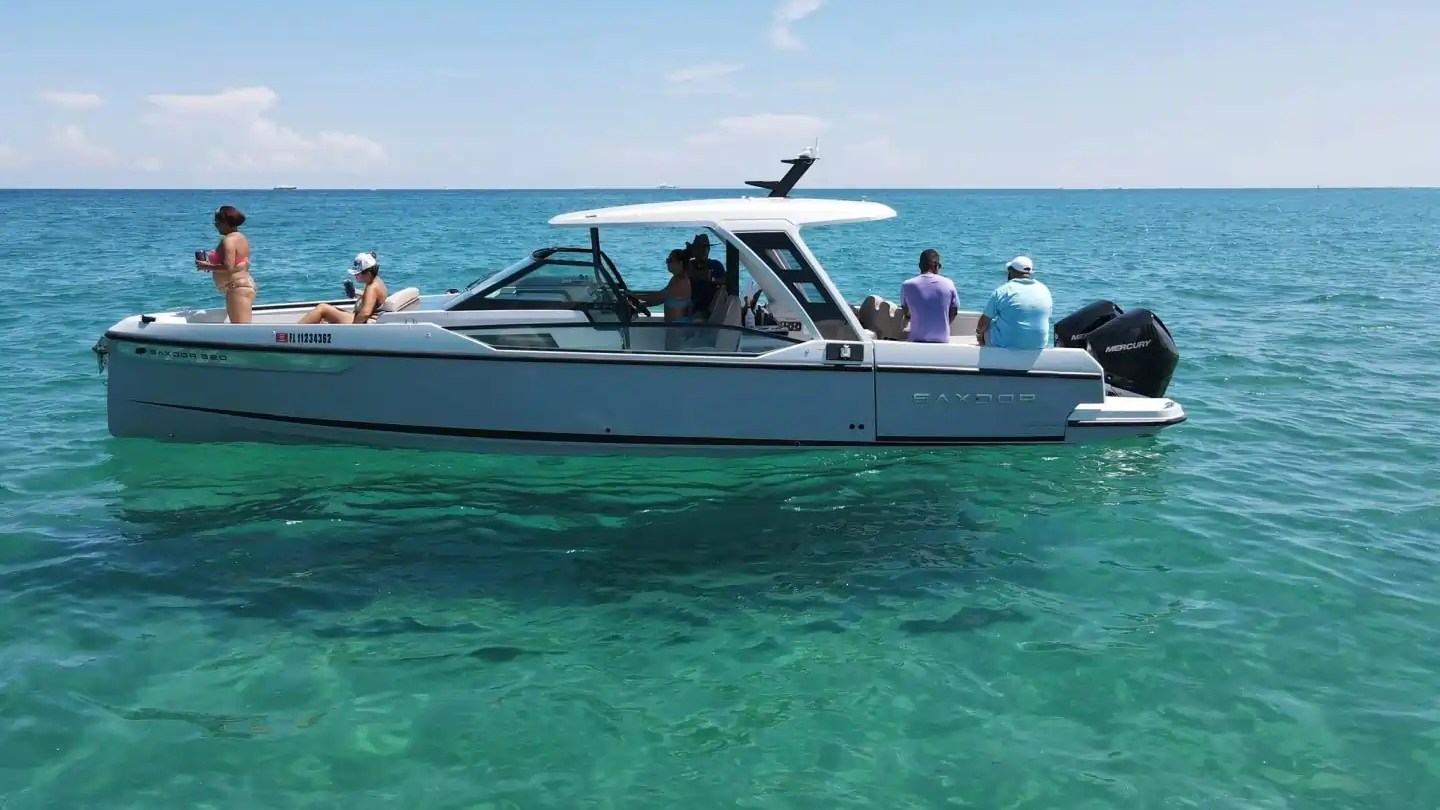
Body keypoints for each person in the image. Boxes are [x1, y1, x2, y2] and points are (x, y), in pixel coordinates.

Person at [976, 255, 1053, 349]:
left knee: (986, 327)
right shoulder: (1044, 290)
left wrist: (979, 333)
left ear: (1011, 272)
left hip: (1009, 344)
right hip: (1039, 344)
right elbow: (1048, 317)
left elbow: (982, 324)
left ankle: (987, 356)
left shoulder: (1002, 291)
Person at [194, 205, 254, 324]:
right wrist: (212, 266)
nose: (215, 225)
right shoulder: (241, 237)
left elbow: (228, 267)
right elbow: (236, 263)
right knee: (242, 329)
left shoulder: (229, 240)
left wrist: (205, 266)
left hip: (237, 289)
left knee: (241, 331)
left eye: (217, 222)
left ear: (226, 222)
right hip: (242, 286)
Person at [298, 252, 390, 324]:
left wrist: (349, 329)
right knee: (326, 317)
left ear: (368, 273)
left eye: (357, 273)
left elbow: (365, 313)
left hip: (358, 323)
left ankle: (294, 333)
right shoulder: (377, 282)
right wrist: (356, 292)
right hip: (360, 318)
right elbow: (372, 299)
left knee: (322, 308)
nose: (355, 276)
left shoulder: (372, 287)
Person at [898, 248, 959, 343]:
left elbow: (906, 312)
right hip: (942, 339)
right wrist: (943, 325)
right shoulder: (949, 283)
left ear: (919, 266)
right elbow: (954, 311)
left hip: (916, 339)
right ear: (937, 266)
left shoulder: (907, 285)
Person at [635, 249, 693, 323]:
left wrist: (635, 296)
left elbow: (658, 296)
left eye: (670, 260)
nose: (667, 263)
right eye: (667, 260)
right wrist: (641, 306)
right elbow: (660, 299)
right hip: (674, 327)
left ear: (680, 263)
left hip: (678, 328)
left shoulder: (681, 282)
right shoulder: (675, 279)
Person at [684, 233, 727, 318]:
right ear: (695, 250)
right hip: (692, 309)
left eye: (706, 247)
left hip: (710, 310)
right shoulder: (690, 265)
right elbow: (682, 267)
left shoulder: (715, 265)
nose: (704, 250)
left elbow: (726, 280)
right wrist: (688, 253)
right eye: (700, 248)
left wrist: (711, 279)